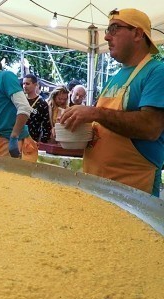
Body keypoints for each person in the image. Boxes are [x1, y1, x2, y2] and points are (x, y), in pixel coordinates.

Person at [60, 8, 164, 196]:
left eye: (114, 29)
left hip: (132, 191)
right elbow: (105, 128)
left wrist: (94, 113)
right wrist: (73, 129)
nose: (107, 37)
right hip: (96, 183)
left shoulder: (157, 72)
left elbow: (151, 127)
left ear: (138, 34)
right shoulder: (115, 78)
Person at [22, 74, 51, 143]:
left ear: (35, 85)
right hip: (17, 137)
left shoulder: (42, 103)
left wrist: (43, 142)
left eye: (27, 84)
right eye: (23, 84)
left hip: (33, 140)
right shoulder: (21, 99)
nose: (25, 86)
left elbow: (46, 125)